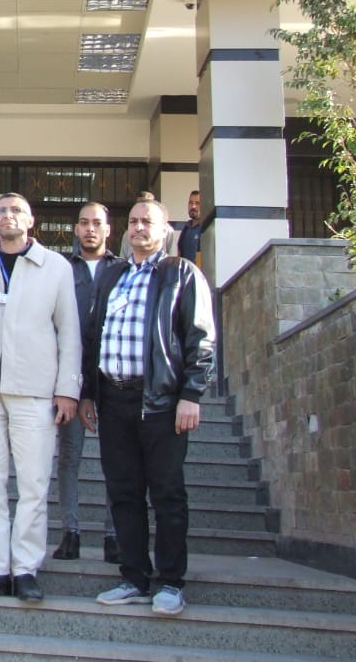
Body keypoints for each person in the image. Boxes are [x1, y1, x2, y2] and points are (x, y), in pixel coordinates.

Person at [84, 198, 215, 617]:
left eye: (148, 222)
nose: (139, 228)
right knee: (123, 493)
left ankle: (171, 582)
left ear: (165, 229)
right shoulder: (113, 274)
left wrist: (191, 395)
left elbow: (201, 340)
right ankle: (134, 576)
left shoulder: (181, 274)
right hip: (114, 400)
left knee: (167, 495)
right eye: (134, 222)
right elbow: (94, 337)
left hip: (160, 402)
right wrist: (89, 392)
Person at [0, 192, 80, 603]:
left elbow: (70, 333)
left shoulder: (56, 267)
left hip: (35, 389)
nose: (7, 217)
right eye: (1, 211)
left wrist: (67, 389)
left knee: (33, 484)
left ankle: (25, 568)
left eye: (15, 211)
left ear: (30, 220)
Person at [53, 202, 119, 562]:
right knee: (69, 459)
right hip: (71, 380)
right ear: (75, 230)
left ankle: (113, 535)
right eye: (83, 223)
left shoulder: (123, 270)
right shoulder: (60, 269)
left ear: (108, 229)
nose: (90, 229)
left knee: (116, 461)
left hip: (114, 380)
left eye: (97, 223)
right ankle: (71, 532)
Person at [175, 190, 201, 263]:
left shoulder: (206, 228)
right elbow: (179, 254)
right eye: (191, 203)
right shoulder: (186, 228)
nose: (193, 206)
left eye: (197, 203)